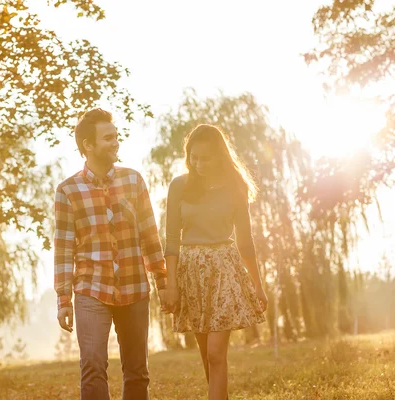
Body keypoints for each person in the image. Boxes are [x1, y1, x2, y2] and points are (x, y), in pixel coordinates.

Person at [53, 108, 168, 400]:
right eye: (107, 138)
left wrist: (163, 283)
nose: (115, 142)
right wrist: (64, 299)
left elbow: (150, 235)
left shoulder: (134, 181)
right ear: (87, 145)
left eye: (115, 136)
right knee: (92, 365)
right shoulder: (68, 191)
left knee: (137, 371)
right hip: (91, 290)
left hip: (134, 288)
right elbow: (64, 247)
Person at [164, 124, 268, 400]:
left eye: (205, 157)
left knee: (215, 353)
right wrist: (170, 284)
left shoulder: (236, 188)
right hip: (190, 272)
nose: (198, 163)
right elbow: (172, 239)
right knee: (206, 354)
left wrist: (258, 286)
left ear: (219, 156)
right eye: (193, 157)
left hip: (224, 269)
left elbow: (246, 242)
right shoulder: (179, 186)